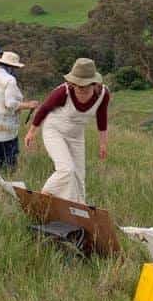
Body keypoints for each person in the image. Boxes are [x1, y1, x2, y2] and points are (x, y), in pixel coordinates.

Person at [25, 58, 110, 204]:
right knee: (66, 169)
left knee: (78, 176)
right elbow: (44, 109)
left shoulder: (102, 94)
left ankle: (77, 207)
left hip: (76, 136)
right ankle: (42, 199)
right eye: (76, 85)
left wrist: (102, 143)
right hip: (54, 131)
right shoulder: (63, 91)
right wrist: (31, 132)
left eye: (84, 86)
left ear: (93, 83)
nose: (79, 89)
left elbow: (102, 118)